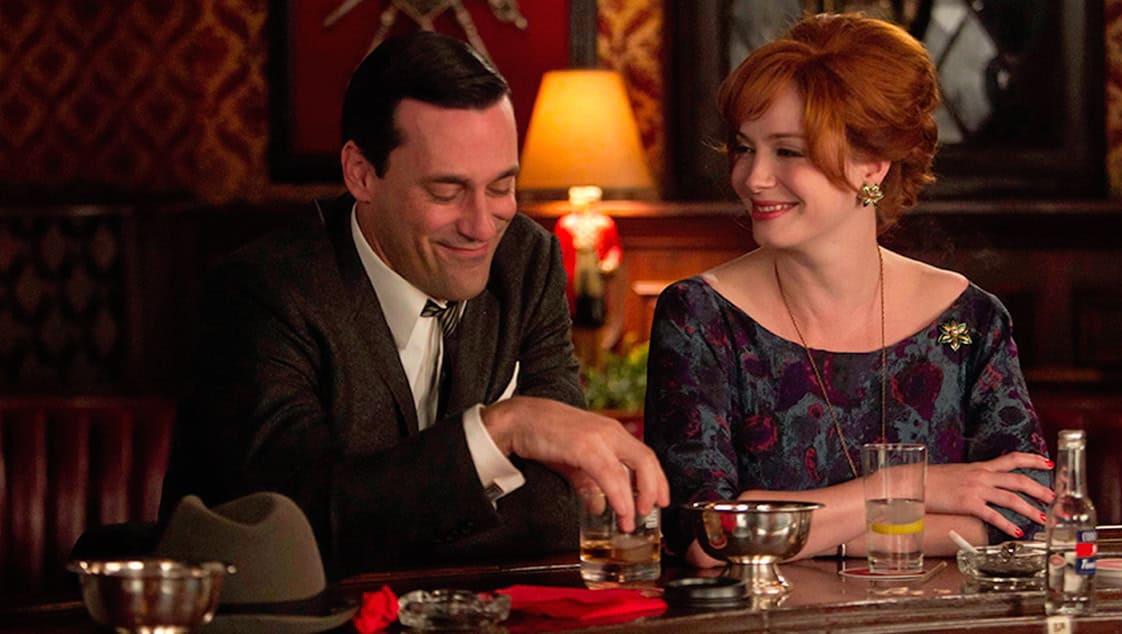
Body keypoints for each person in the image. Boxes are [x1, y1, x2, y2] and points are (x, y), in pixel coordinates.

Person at [160, 31, 667, 577]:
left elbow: (558, 511)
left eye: (501, 187)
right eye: (446, 193)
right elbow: (296, 532)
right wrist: (499, 431)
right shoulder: (263, 292)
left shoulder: (528, 260)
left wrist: (385, 519)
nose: (482, 226)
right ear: (361, 174)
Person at [644, 13, 1053, 567]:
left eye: (788, 151)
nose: (753, 178)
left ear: (872, 165)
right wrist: (909, 486)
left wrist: (789, 529)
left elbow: (1021, 515)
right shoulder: (700, 316)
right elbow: (708, 537)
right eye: (744, 148)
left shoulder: (968, 321)